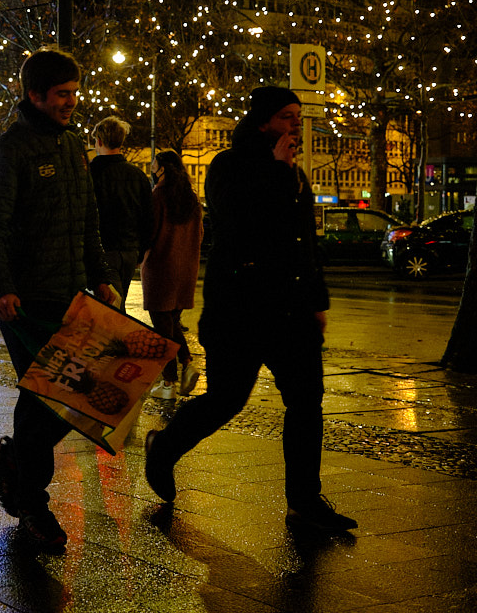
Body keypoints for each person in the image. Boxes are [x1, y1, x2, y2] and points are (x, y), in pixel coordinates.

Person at [143, 86, 357, 532]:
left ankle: (304, 500)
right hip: (240, 310)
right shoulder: (229, 166)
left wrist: (317, 302)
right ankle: (163, 448)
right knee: (226, 399)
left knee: (306, 403)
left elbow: (304, 243)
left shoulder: (296, 173)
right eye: (286, 116)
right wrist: (279, 170)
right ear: (263, 122)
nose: (295, 124)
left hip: (291, 312)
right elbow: (242, 225)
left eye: (298, 116)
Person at [0, 48, 119, 553]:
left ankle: (16, 469)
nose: (71, 103)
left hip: (72, 296)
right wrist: (1, 287)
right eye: (62, 94)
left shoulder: (73, 146)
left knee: (63, 400)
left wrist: (101, 277)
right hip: (27, 301)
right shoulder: (10, 149)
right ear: (35, 95)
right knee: (47, 397)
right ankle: (33, 503)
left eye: (75, 94)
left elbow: (88, 221)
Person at [140, 150, 204, 400]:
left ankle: (171, 380)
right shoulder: (191, 198)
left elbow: (151, 231)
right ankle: (183, 367)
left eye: (153, 165)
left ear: (163, 168)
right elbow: (199, 234)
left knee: (162, 328)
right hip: (185, 269)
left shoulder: (160, 195)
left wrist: (142, 254)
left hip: (161, 267)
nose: (151, 170)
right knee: (171, 323)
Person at [89, 116, 153, 311]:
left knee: (111, 309)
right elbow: (147, 216)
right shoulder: (137, 175)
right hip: (130, 251)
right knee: (118, 302)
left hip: (104, 251)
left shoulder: (90, 175)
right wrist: (141, 251)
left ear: (98, 141)